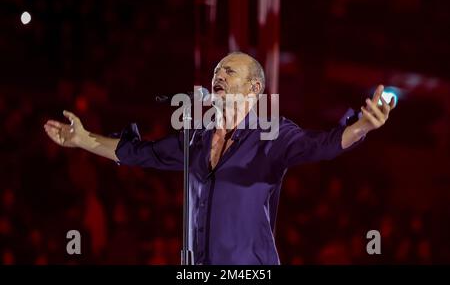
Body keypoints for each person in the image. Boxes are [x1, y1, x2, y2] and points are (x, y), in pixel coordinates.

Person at [44, 52, 395, 265]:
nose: (218, 76)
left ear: (254, 89)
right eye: (216, 72)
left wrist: (363, 125)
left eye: (229, 71)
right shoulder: (196, 138)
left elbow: (322, 144)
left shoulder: (270, 135)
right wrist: (82, 139)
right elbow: (139, 154)